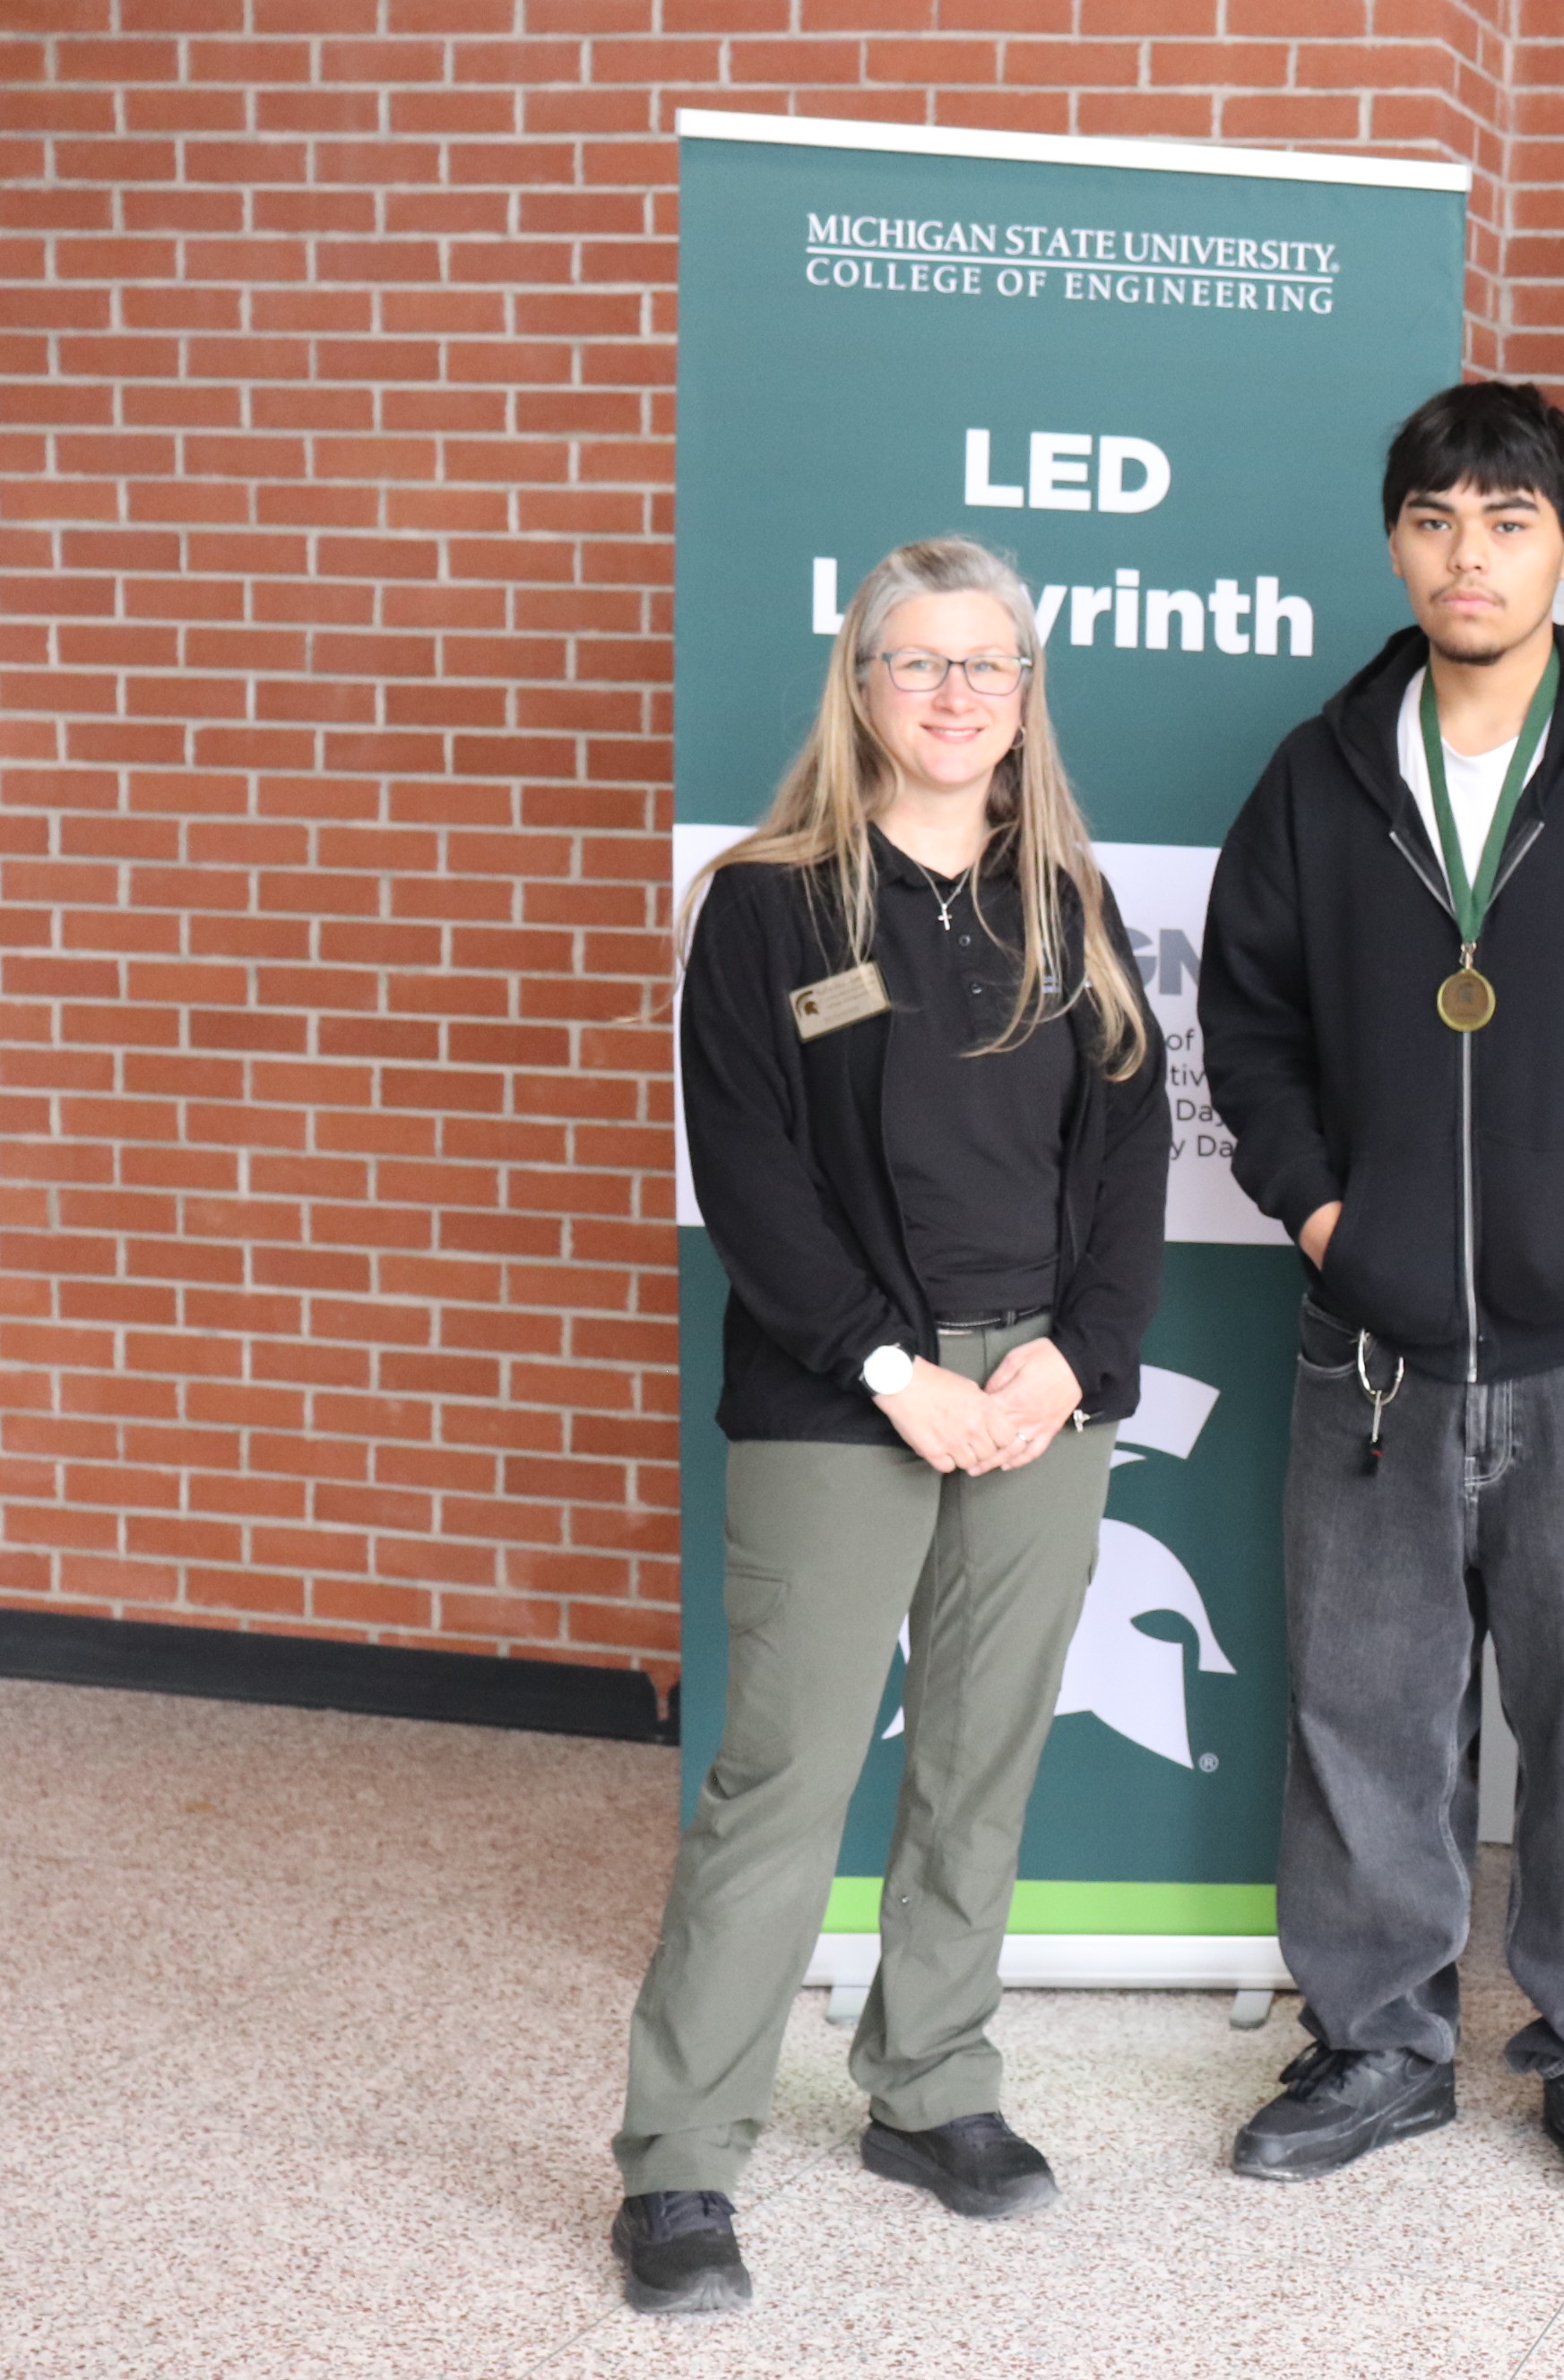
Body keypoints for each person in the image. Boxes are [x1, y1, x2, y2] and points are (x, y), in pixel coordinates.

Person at [1197, 381, 1564, 2205]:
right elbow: (1251, 1020)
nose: (1473, 552)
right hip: (1368, 1345)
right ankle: (1375, 2038)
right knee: (1365, 1704)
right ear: (1399, 543)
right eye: (1440, 518)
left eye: (1511, 520)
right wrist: (1315, 1215)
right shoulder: (1322, 770)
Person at [614, 537, 1170, 2315]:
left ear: (1023, 702)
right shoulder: (768, 901)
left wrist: (1070, 1360)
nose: (950, 694)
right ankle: (684, 2160)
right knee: (778, 1781)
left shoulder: (1066, 896)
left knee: (981, 1764)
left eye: (984, 666)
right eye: (915, 663)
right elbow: (752, 1177)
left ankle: (929, 2084)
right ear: (860, 689)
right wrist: (889, 1368)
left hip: (1036, 1398)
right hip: (839, 1390)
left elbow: (1130, 1154)